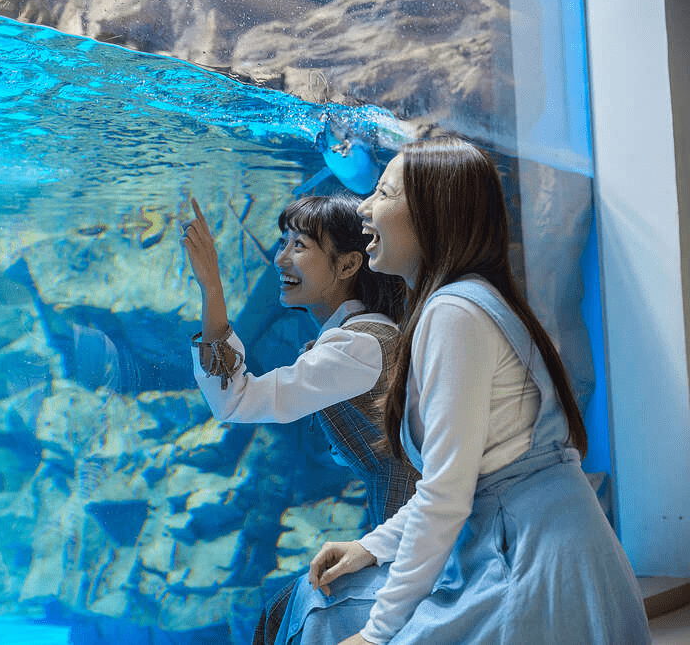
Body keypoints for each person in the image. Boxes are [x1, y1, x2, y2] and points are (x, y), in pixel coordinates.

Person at [270, 137, 651, 645]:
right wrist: (372, 546)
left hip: (528, 571)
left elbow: (445, 496)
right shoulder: (465, 302)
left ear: (431, 214)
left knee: (320, 613)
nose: (363, 205)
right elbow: (456, 486)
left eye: (383, 193)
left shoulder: (455, 312)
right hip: (547, 557)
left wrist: (376, 634)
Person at [180, 193, 420, 645]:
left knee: (287, 616)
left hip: (412, 542)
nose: (281, 258)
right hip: (401, 535)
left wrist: (211, 287)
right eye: (283, 242)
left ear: (349, 265)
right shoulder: (365, 337)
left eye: (300, 246)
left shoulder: (359, 347)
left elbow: (234, 401)